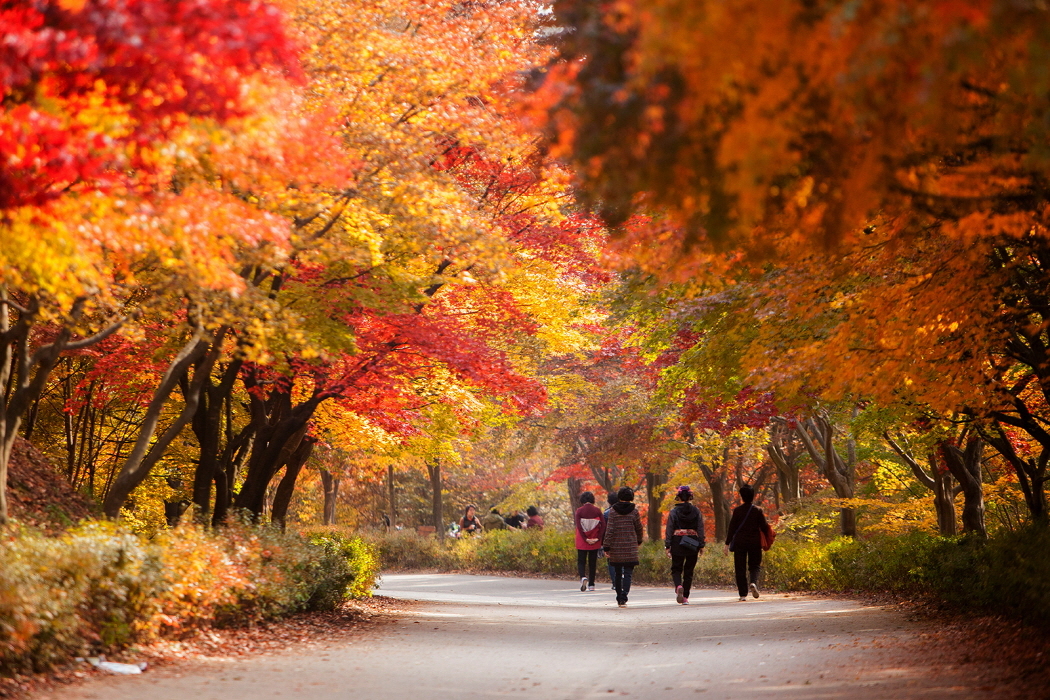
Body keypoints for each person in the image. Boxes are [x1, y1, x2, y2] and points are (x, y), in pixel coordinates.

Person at [724, 484, 771, 601]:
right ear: (753, 496)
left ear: (742, 497)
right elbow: (764, 527)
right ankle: (753, 582)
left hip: (740, 542)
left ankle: (743, 594)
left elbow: (732, 528)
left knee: (740, 567)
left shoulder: (737, 511)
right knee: (754, 565)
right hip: (755, 542)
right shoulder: (758, 510)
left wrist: (727, 543)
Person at [603, 486, 643, 608]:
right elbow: (639, 528)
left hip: (616, 547)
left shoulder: (613, 511)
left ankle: (619, 595)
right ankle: (624, 596)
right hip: (630, 546)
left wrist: (606, 546)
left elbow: (609, 530)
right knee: (628, 573)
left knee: (618, 573)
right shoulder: (634, 511)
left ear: (619, 497)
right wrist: (639, 540)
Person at [664, 485, 705, 605]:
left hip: (677, 541)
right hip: (692, 541)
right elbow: (700, 528)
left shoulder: (674, 512)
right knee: (689, 570)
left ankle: (678, 586)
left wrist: (667, 545)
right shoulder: (696, 511)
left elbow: (669, 529)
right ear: (690, 497)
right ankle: (685, 597)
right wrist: (701, 544)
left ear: (679, 497)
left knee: (676, 568)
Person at [574, 491, 605, 592]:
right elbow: (603, 525)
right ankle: (591, 584)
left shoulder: (579, 511)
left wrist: (585, 538)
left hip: (582, 540)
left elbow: (579, 526)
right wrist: (598, 538)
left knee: (581, 561)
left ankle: (583, 577)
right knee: (592, 562)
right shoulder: (597, 511)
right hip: (594, 538)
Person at [603, 491, 618, 588]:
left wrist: (604, 544)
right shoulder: (625, 511)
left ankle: (615, 582)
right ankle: (623, 580)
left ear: (609, 501)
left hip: (611, 540)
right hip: (623, 539)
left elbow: (604, 529)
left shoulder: (606, 513)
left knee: (611, 561)